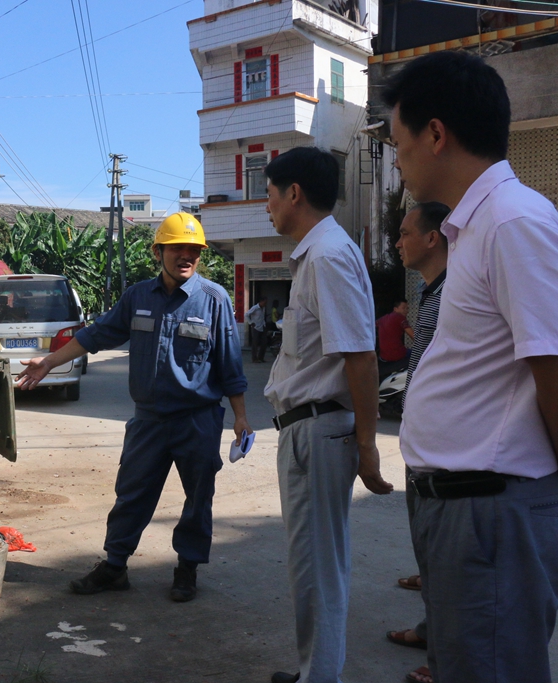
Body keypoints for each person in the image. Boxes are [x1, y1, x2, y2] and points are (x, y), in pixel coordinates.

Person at [385, 50, 558, 683]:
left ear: (436, 134)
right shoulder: (476, 228)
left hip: (491, 515)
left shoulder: (514, 222)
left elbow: (554, 370)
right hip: (465, 511)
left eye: (400, 142)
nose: (397, 158)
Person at [15, 212, 251, 603]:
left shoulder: (214, 299)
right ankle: (114, 566)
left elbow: (231, 364)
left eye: (193, 249)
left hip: (198, 420)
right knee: (131, 495)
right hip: (149, 421)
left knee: (198, 498)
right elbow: (96, 334)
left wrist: (241, 415)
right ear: (159, 251)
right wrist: (49, 361)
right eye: (177, 248)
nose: (186, 256)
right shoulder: (138, 297)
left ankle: (187, 568)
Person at [262, 147, 393, 683]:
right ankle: (316, 669)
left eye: (269, 194)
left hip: (319, 430)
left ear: (294, 193)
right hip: (307, 428)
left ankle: (321, 677)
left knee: (318, 567)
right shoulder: (320, 254)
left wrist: (367, 446)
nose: (267, 206)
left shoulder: (328, 256)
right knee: (311, 564)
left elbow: (361, 357)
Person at [383, 202, 450, 683]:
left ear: (432, 238)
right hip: (423, 439)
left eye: (405, 233)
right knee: (428, 550)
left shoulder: (457, 292)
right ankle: (433, 629)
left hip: (449, 447)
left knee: (448, 560)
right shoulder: (430, 293)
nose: (397, 242)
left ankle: (448, 658)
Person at [376, 299, 413, 365]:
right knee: (420, 355)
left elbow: (372, 326)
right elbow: (413, 335)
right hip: (397, 355)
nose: (406, 311)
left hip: (383, 357)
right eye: (403, 308)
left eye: (407, 308)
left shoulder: (382, 319)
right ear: (395, 309)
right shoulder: (400, 317)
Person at [246, 296, 269, 362]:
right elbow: (246, 314)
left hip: (262, 326)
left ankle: (261, 357)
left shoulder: (263, 308)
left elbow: (262, 317)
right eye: (265, 302)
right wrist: (250, 322)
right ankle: (254, 358)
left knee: (264, 343)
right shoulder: (255, 308)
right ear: (261, 302)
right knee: (255, 343)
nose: (266, 304)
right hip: (256, 327)